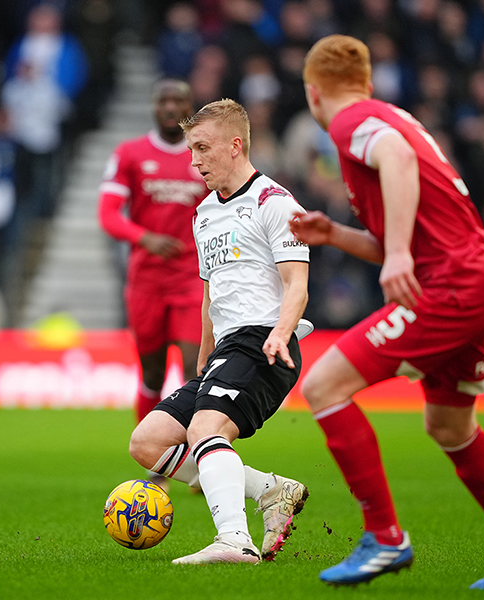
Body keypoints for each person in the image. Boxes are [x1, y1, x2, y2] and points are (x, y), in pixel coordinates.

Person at [291, 35, 484, 589]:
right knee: (450, 425)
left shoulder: (351, 123)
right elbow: (407, 215)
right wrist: (337, 234)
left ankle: (384, 538)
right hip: (479, 276)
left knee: (323, 386)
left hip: (450, 286)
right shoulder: (389, 113)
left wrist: (401, 254)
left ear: (315, 93)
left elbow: (397, 158)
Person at [128, 99, 311, 565]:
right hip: (228, 347)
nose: (194, 161)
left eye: (202, 148)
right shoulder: (204, 212)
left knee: (207, 430)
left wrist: (280, 334)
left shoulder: (277, 202)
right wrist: (204, 354)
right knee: (147, 441)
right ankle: (269, 490)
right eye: (191, 150)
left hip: (265, 341)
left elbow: (297, 285)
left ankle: (235, 540)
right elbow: (212, 293)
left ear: (235, 145)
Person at [98, 79, 208, 431]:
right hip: (146, 280)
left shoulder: (205, 154)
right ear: (153, 106)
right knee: (153, 373)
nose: (171, 107)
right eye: (164, 100)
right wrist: (145, 238)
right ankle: (154, 459)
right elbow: (108, 214)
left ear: (191, 108)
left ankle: (200, 455)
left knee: (195, 367)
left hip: (193, 278)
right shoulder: (129, 153)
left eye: (179, 101)